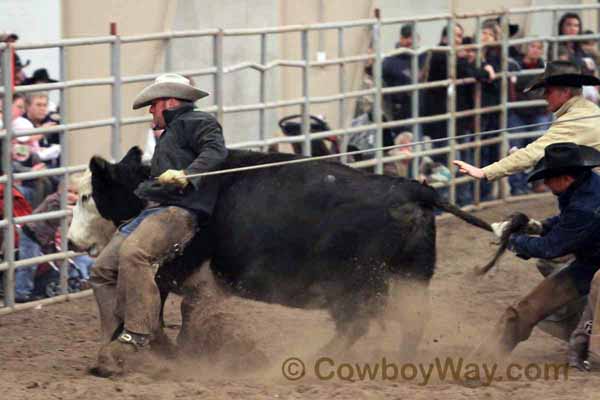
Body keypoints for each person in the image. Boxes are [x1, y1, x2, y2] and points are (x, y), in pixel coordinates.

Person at [89, 73, 228, 377]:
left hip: (179, 212)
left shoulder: (198, 122)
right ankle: (117, 344)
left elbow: (216, 151)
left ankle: (136, 336)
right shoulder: (172, 133)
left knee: (134, 254)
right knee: (101, 270)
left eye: (153, 105)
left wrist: (187, 173)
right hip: (154, 211)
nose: (150, 111)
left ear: (169, 101)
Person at [477, 143, 600, 368]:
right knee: (526, 309)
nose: (544, 183)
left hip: (592, 265)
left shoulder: (585, 205)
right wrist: (540, 226)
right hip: (590, 262)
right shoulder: (586, 185)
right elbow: (568, 223)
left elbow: (550, 249)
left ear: (564, 178)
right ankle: (487, 358)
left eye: (548, 178)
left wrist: (511, 240)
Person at [453, 60, 600, 184]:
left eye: (548, 91)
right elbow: (552, 155)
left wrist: (485, 172)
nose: (544, 96)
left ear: (565, 92)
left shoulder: (574, 121)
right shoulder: (586, 111)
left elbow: (535, 153)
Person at [507, 40, 553, 195]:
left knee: (539, 147)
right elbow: (513, 89)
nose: (535, 50)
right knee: (516, 147)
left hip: (538, 111)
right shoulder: (515, 65)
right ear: (526, 49)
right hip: (519, 111)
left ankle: (537, 182)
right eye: (532, 46)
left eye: (539, 47)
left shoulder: (545, 67)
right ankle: (517, 185)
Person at [381, 24, 426, 134]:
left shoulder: (424, 57)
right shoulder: (390, 62)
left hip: (422, 114)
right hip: (401, 117)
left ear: (418, 38)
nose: (409, 40)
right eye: (406, 37)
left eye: (412, 37)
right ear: (400, 39)